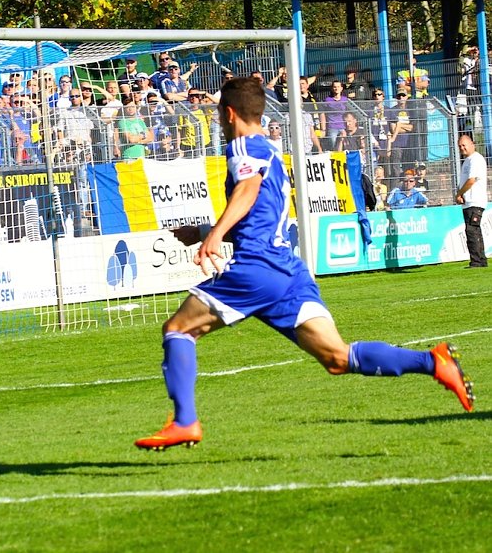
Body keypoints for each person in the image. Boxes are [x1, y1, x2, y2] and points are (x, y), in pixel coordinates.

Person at [134, 77, 474, 452]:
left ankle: (184, 421)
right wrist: (204, 230)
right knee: (337, 357)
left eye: (218, 114)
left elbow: (246, 193)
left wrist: (214, 236)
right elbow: (258, 215)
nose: (218, 121)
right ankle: (433, 362)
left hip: (257, 267)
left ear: (229, 114)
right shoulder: (272, 154)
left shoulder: (242, 146)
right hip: (287, 271)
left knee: (179, 329)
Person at [455, 135, 488, 268]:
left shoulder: (476, 159)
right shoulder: (467, 161)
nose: (462, 148)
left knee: (472, 230)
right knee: (473, 231)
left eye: (464, 145)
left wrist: (460, 193)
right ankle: (480, 260)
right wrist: (460, 195)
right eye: (460, 146)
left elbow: (471, 180)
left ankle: (477, 261)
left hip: (475, 200)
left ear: (472, 144)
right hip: (468, 202)